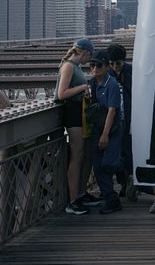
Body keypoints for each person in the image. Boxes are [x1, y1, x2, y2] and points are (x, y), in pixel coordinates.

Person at [57, 38, 96, 215]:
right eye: (90, 55)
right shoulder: (68, 66)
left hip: (81, 112)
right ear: (85, 52)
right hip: (73, 113)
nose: (91, 59)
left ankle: (80, 194)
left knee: (84, 154)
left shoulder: (76, 67)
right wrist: (82, 87)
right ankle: (72, 201)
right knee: (77, 155)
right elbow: (61, 94)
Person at [87, 50, 124, 214]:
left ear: (107, 66)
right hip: (98, 127)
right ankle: (111, 199)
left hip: (111, 128)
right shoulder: (92, 83)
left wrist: (105, 134)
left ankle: (124, 178)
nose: (95, 68)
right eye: (92, 65)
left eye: (99, 65)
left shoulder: (112, 84)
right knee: (98, 165)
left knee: (107, 163)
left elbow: (112, 111)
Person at [106, 43, 135, 201]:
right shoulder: (106, 72)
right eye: (111, 63)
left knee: (128, 152)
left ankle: (128, 183)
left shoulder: (131, 71)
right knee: (119, 153)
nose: (115, 66)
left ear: (123, 61)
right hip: (115, 120)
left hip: (130, 119)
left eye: (118, 63)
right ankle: (125, 183)